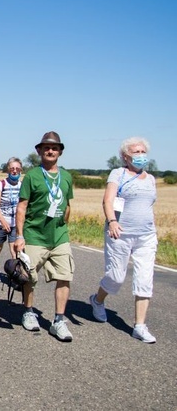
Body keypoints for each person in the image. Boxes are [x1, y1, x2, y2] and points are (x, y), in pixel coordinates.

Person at [89, 137, 158, 343]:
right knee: (116, 277)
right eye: (136, 152)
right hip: (119, 233)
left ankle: (139, 326)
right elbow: (108, 200)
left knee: (144, 279)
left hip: (146, 235)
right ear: (125, 156)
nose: (140, 155)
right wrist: (111, 221)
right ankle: (97, 300)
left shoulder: (151, 178)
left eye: (143, 151)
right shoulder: (118, 174)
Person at [13, 131, 75, 342]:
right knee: (29, 276)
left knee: (65, 276)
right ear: (39, 151)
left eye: (54, 148)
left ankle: (58, 321)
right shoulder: (32, 176)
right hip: (34, 235)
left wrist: (63, 228)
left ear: (60, 152)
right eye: (46, 147)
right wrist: (19, 235)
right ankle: (29, 312)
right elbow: (22, 207)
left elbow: (67, 206)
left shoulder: (66, 176)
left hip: (59, 236)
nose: (50, 151)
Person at [0, 157, 23, 282]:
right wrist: (3, 221)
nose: (14, 171)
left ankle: (15, 274)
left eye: (17, 169)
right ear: (8, 169)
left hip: (15, 223)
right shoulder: (1, 184)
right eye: (12, 168)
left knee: (15, 250)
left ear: (20, 170)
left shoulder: (22, 185)